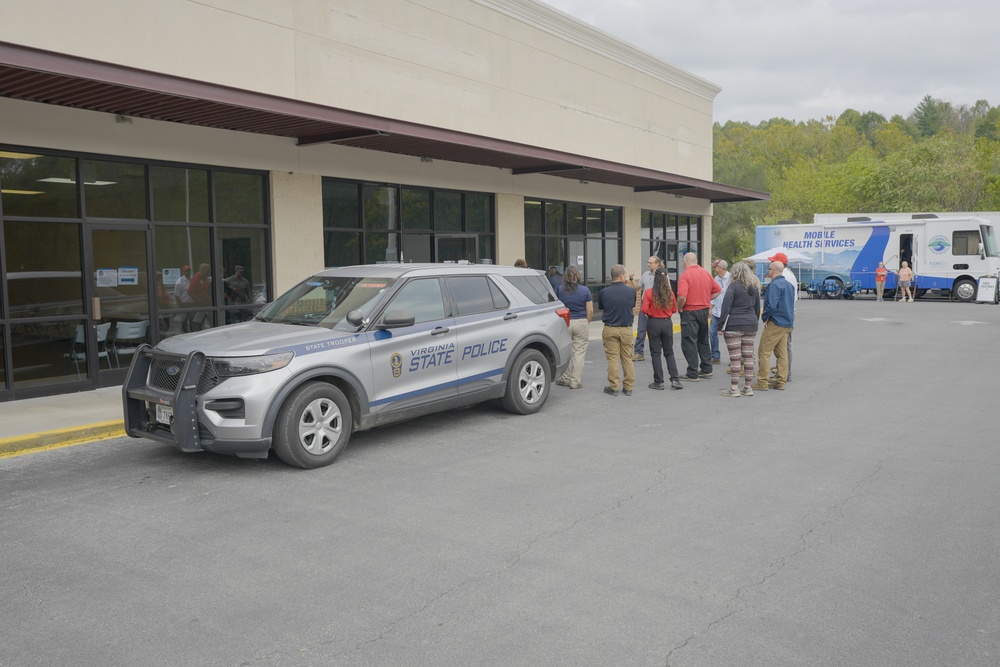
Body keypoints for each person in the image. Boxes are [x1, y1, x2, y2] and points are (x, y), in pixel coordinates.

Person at [675, 252, 721, 381]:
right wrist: (706, 299)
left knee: (689, 341)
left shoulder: (685, 275)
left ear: (685, 263)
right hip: (704, 310)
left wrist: (679, 307)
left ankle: (692, 372)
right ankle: (706, 368)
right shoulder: (705, 273)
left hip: (690, 311)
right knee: (703, 340)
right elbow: (718, 290)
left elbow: (682, 296)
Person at [718, 262, 761, 397]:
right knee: (748, 356)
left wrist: (720, 325)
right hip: (751, 324)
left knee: (735, 357)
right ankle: (748, 387)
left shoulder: (733, 287)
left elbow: (726, 307)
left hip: (734, 325)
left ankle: (734, 388)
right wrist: (754, 322)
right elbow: (757, 307)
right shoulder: (753, 288)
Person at [754, 261, 795, 391]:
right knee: (782, 353)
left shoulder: (774, 285)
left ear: (773, 270)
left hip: (775, 321)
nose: (768, 272)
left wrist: (764, 317)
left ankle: (762, 382)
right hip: (787, 322)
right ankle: (781, 381)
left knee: (764, 351)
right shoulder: (789, 285)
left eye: (769, 269)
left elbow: (771, 304)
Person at [598, 264, 636, 396]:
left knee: (612, 359)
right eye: (625, 274)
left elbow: (602, 308)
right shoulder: (631, 291)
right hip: (626, 329)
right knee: (627, 358)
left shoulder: (604, 292)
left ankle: (614, 387)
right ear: (621, 276)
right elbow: (632, 306)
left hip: (610, 328)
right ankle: (628, 387)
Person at [642, 268, 683, 391]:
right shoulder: (670, 293)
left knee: (655, 353)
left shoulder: (649, 292)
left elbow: (644, 309)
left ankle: (659, 381)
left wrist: (650, 312)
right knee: (669, 352)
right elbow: (674, 309)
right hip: (666, 322)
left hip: (654, 322)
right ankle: (675, 379)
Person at [555, 265, 592, 390]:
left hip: (565, 322)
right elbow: (590, 310)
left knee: (565, 351)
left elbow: (557, 308)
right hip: (580, 321)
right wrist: (587, 321)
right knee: (579, 353)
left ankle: (565, 377)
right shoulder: (585, 290)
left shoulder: (559, 290)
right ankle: (575, 381)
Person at [768, 251, 798, 382]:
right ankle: (783, 372)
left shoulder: (783, 276)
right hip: (788, 312)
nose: (770, 264)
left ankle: (785, 373)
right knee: (783, 344)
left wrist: (767, 317)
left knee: (784, 346)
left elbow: (776, 301)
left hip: (783, 314)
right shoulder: (789, 275)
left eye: (772, 262)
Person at [633, 255, 664, 362]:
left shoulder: (663, 275)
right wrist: (632, 279)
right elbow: (637, 287)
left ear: (657, 264)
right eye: (648, 262)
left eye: (651, 263)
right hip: (645, 305)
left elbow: (667, 291)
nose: (648, 264)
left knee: (656, 330)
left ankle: (656, 351)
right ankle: (638, 352)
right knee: (641, 329)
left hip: (657, 306)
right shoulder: (645, 274)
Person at [709, 259, 731, 365]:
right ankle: (715, 356)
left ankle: (734, 358)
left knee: (730, 335)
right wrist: (710, 308)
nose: (714, 268)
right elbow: (713, 294)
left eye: (715, 266)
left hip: (728, 313)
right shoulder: (716, 279)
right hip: (716, 312)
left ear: (721, 267)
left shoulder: (731, 279)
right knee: (712, 332)